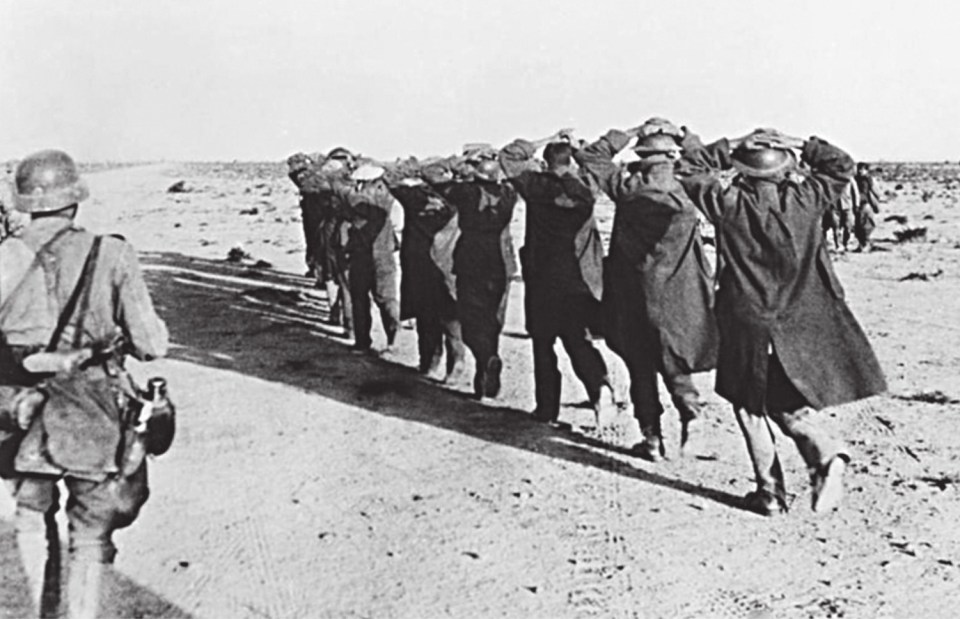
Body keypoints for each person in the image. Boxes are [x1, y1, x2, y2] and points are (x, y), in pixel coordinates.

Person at [679, 128, 887, 515]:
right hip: (798, 318)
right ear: (785, 170)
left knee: (748, 406)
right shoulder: (807, 199)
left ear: (742, 172)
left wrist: (737, 143)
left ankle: (771, 493)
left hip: (746, 318)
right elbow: (841, 164)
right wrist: (792, 141)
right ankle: (825, 454)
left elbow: (691, 166)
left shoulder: (727, 202)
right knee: (782, 399)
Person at [0, 150, 169, 616]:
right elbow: (151, 344)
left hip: (17, 410)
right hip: (89, 411)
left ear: (25, 203)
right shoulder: (110, 253)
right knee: (90, 535)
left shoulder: (4, 257)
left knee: (31, 518)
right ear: (75, 199)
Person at [576, 119, 718, 460]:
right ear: (673, 153)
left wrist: (633, 130)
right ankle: (692, 415)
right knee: (674, 358)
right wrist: (689, 136)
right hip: (681, 291)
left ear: (641, 155)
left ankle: (652, 438)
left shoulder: (626, 188)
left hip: (633, 291)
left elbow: (592, 156)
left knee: (639, 364)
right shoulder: (688, 188)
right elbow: (706, 163)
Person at [498, 131, 615, 424]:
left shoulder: (534, 185)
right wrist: (580, 150)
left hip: (543, 279)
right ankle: (600, 389)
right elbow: (598, 165)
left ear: (545, 161)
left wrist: (545, 138)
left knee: (543, 344)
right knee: (579, 340)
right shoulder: (585, 188)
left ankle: (547, 409)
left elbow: (509, 156)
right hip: (580, 279)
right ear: (570, 161)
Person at [431, 149, 518, 398]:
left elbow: (431, 172)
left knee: (470, 324)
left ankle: (486, 359)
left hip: (472, 263)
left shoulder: (466, 193)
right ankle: (486, 383)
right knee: (493, 323)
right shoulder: (509, 195)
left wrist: (459, 160)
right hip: (501, 265)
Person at [383, 158, 466, 380]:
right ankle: (456, 364)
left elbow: (390, 179)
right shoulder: (459, 198)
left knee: (425, 317)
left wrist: (414, 169)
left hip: (419, 265)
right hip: (449, 266)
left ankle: (429, 363)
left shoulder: (413, 198)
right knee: (451, 318)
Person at [332, 163, 401, 353]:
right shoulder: (384, 198)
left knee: (372, 300)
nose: (358, 186)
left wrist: (336, 176)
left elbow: (347, 196)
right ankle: (387, 340)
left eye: (361, 183)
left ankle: (373, 342)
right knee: (377, 300)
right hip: (375, 256)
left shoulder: (366, 200)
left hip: (370, 257)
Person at [286, 150, 351, 329]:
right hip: (344, 236)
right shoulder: (350, 188)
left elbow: (299, 180)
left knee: (330, 274)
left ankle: (335, 314)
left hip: (324, 234)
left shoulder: (315, 185)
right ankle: (347, 320)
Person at [852, 162, 880, 251]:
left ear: (866, 170)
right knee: (858, 226)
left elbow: (876, 192)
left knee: (866, 225)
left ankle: (866, 244)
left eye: (862, 169)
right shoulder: (855, 179)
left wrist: (875, 202)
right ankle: (861, 244)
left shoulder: (869, 179)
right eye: (859, 169)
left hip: (866, 204)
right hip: (856, 205)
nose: (860, 171)